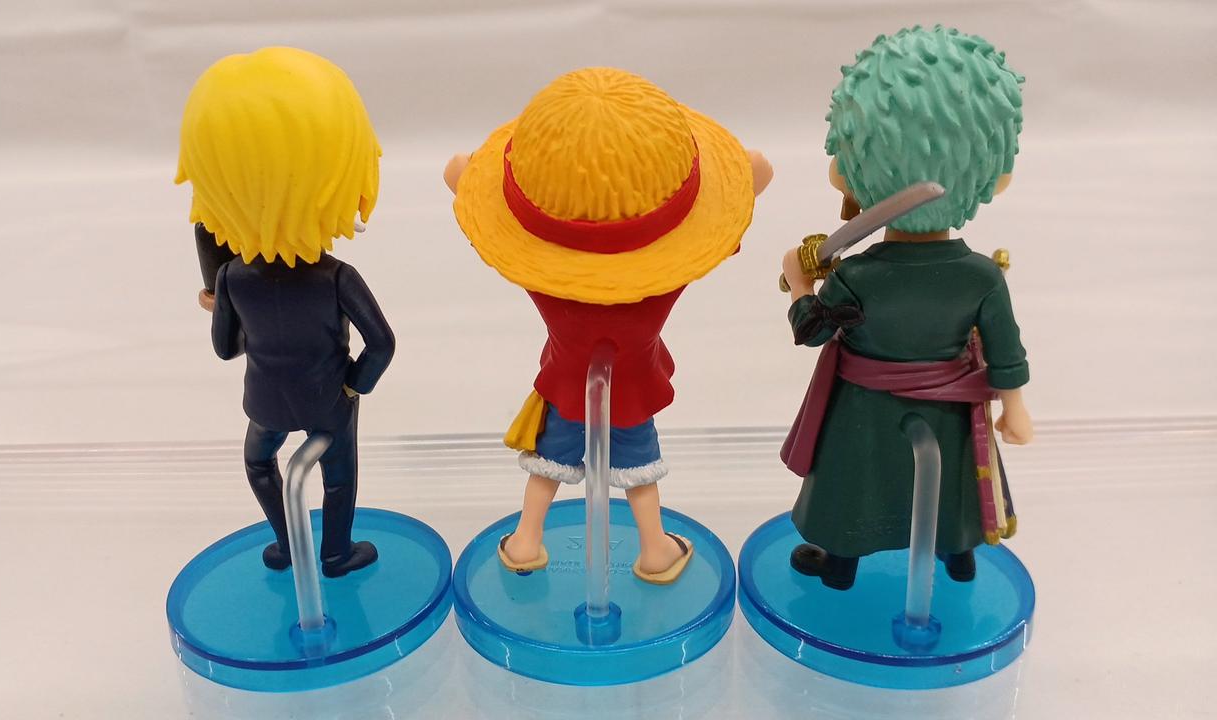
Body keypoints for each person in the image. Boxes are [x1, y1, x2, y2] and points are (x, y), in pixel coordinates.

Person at [444, 67, 773, 584]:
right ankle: (655, 549)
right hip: (632, 391)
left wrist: (470, 181)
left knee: (547, 465)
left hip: (565, 385)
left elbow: (462, 185)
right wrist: (740, 180)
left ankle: (526, 540)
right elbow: (756, 177)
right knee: (639, 474)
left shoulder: (546, 282)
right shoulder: (662, 284)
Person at [780, 26, 1033, 590]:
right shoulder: (981, 275)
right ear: (997, 177)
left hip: (864, 409)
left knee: (857, 483)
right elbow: (1005, 351)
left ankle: (842, 562)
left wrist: (799, 284)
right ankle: (958, 555)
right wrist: (1015, 408)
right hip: (947, 412)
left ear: (848, 172)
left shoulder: (858, 275)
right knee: (947, 485)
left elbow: (811, 330)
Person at [176, 47, 394, 578]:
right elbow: (382, 343)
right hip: (329, 400)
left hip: (266, 402)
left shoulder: (232, 277)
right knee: (339, 476)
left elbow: (225, 349)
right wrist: (354, 385)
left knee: (258, 463)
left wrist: (222, 306)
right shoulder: (336, 277)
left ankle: (289, 544)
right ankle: (335, 553)